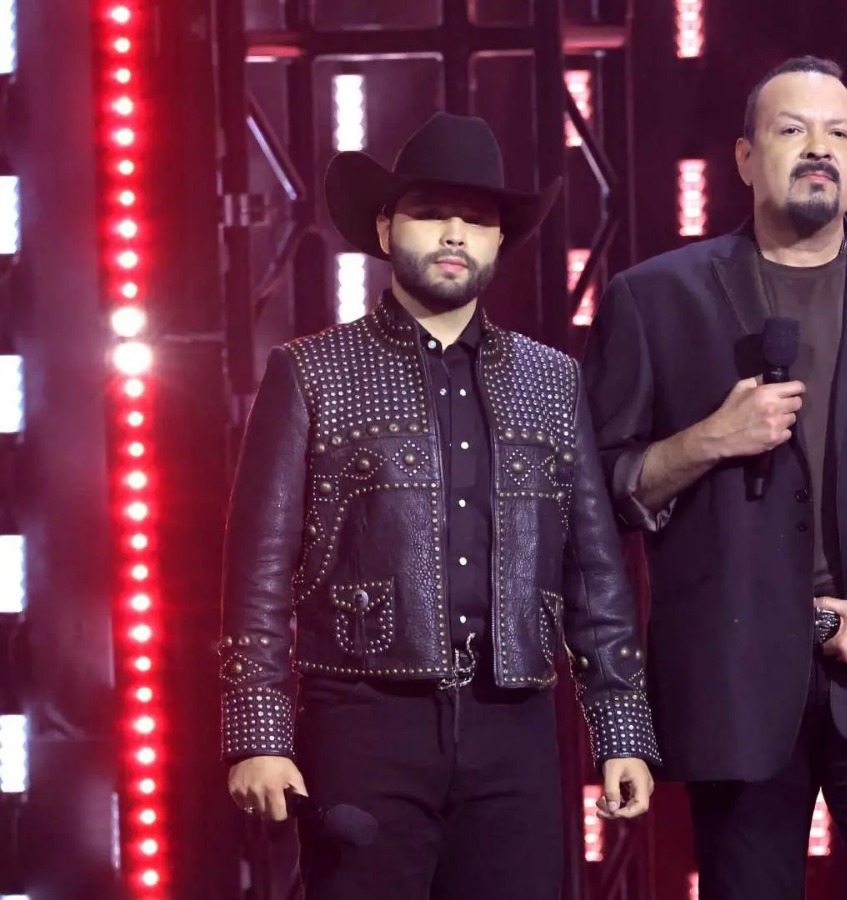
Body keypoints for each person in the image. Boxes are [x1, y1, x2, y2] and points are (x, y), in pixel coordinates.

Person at [582, 56, 847, 900]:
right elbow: (600, 490)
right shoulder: (654, 299)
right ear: (745, 158)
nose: (819, 147)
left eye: (838, 133)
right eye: (792, 129)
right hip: (734, 685)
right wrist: (708, 440)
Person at [218, 112, 658, 900]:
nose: (455, 233)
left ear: (498, 240)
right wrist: (258, 732)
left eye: (477, 219)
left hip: (515, 724)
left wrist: (620, 726)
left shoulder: (551, 380)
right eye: (431, 213)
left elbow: (595, 570)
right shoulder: (313, 372)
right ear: (386, 228)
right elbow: (258, 568)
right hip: (362, 718)